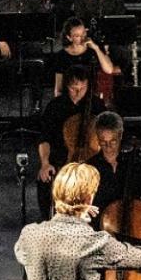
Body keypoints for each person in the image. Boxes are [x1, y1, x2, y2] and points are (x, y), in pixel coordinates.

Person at [35, 66, 99, 220]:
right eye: (73, 88)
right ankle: (49, 221)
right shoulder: (55, 106)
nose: (78, 92)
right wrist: (44, 163)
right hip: (61, 160)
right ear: (66, 86)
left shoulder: (97, 105)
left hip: (91, 161)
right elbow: (44, 138)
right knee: (45, 180)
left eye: (83, 87)